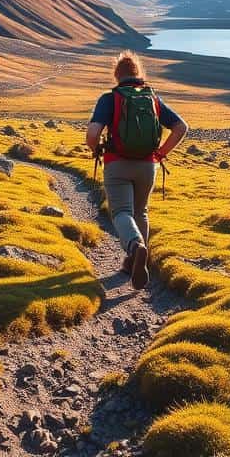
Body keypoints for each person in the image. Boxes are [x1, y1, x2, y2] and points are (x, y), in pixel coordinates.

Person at [86, 52, 188, 289]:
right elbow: (181, 127)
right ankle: (133, 262)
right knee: (140, 211)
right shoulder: (152, 98)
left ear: (117, 75)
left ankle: (135, 247)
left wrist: (98, 148)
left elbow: (92, 134)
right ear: (139, 73)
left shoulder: (109, 98)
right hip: (147, 166)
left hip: (117, 164)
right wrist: (161, 154)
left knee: (122, 212)